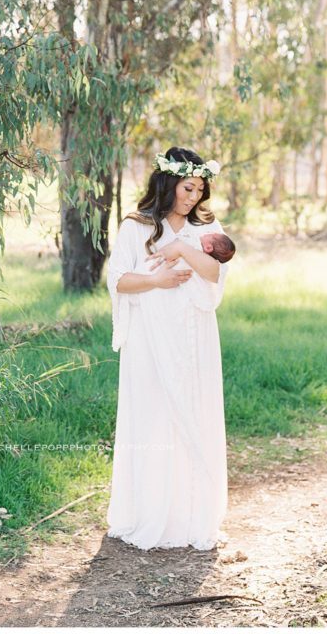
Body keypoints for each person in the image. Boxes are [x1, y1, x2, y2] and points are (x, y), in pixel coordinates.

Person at [105, 146, 233, 551]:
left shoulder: (205, 229)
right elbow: (120, 281)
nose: (193, 197)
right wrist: (157, 282)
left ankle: (192, 514)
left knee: (192, 411)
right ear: (168, 183)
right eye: (187, 188)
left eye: (199, 189)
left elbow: (214, 273)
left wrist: (180, 249)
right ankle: (151, 513)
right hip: (150, 337)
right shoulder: (136, 227)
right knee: (155, 415)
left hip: (194, 336)